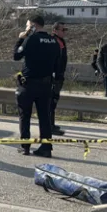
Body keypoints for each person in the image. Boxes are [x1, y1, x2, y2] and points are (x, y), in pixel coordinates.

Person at [13, 15, 60, 157]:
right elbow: (58, 63)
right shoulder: (54, 40)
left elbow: (16, 55)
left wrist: (21, 38)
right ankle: (46, 147)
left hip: (29, 84)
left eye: (28, 25)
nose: (26, 28)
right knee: (44, 116)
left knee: (25, 115)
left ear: (33, 25)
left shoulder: (30, 39)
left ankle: (25, 146)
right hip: (46, 84)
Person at [50, 22, 68, 136]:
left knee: (54, 100)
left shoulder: (61, 41)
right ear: (55, 30)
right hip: (54, 76)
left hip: (59, 75)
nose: (64, 32)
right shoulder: (53, 41)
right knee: (51, 101)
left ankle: (52, 124)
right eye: (62, 30)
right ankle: (50, 126)